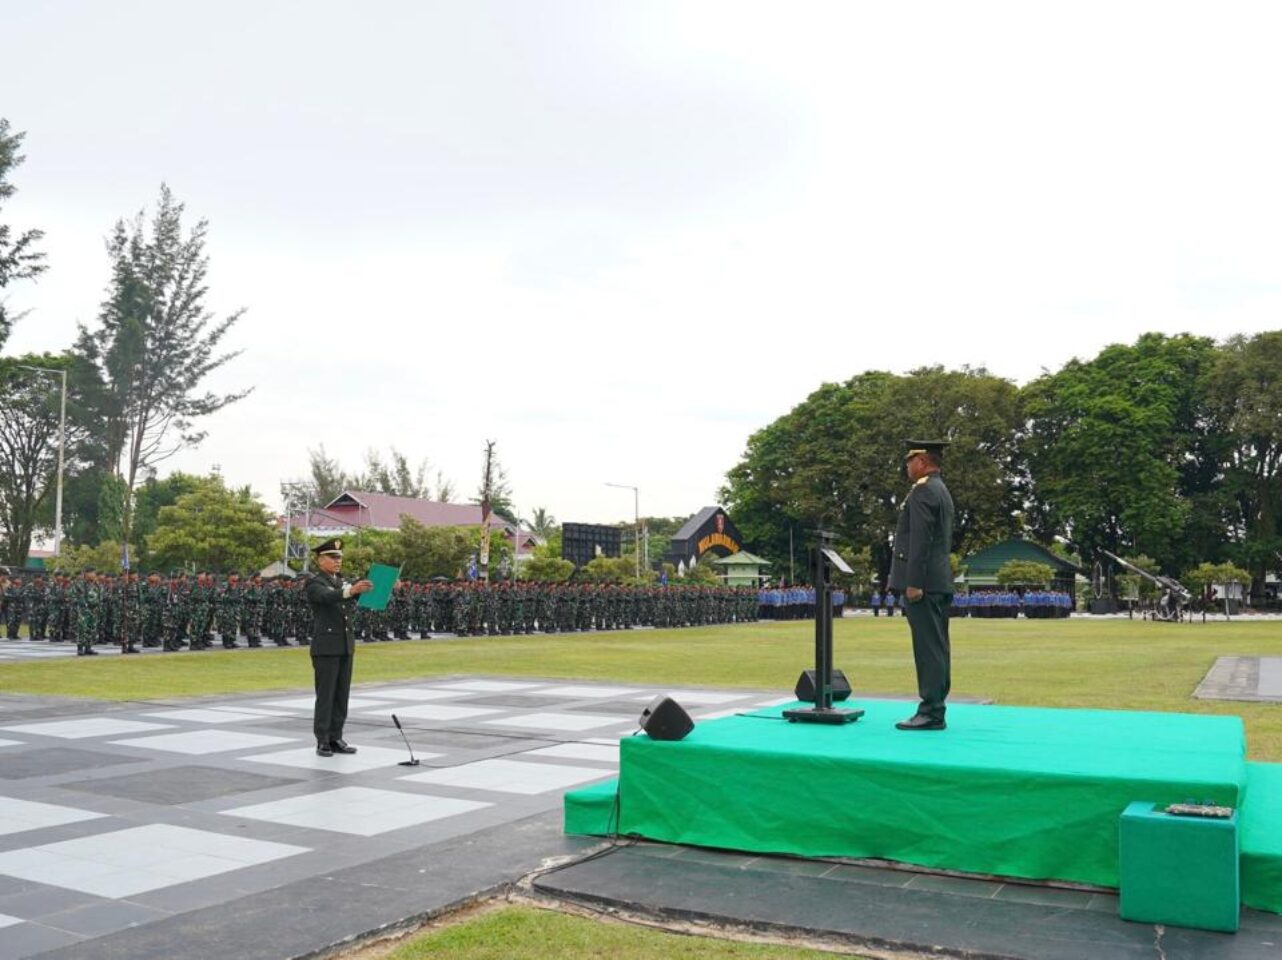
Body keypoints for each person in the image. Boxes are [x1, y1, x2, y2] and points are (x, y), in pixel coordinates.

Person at [888, 439, 955, 731]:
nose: (907, 466)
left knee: (928, 649)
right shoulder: (940, 489)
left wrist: (913, 583)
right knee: (937, 647)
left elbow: (920, 541)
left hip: (924, 584)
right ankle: (934, 707)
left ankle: (930, 711)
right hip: (938, 581)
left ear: (923, 462)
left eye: (910, 460)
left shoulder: (924, 491)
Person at [304, 539, 373, 757]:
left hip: (344, 645)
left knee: (341, 695)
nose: (337, 561)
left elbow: (353, 595)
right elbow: (327, 597)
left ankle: (336, 737)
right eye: (333, 558)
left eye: (339, 557)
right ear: (320, 559)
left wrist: (372, 587)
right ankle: (322, 739)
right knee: (326, 695)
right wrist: (351, 591)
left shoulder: (340, 581)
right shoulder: (314, 583)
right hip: (326, 646)